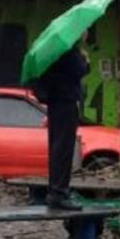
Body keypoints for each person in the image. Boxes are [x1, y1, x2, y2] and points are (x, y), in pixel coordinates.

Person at [32, 40, 88, 212]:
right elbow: (80, 70)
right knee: (63, 149)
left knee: (57, 148)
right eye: (85, 31)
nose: (86, 33)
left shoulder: (54, 52)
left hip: (57, 103)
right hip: (65, 103)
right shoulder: (68, 52)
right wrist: (85, 59)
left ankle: (56, 192)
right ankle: (59, 193)